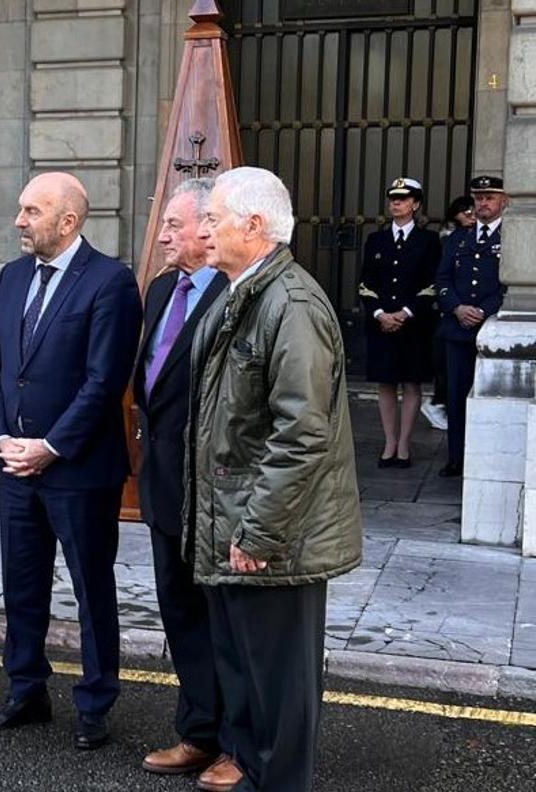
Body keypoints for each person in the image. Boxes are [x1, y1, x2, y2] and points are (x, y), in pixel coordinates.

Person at [188, 166, 362, 791]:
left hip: (273, 540)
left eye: (214, 218)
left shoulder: (291, 305)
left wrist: (257, 532)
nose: (204, 229)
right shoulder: (242, 292)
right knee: (249, 682)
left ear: (254, 226)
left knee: (282, 695)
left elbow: (302, 433)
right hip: (236, 526)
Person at [0, 172, 140, 750]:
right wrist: (0, 439)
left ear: (67, 221)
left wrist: (51, 446)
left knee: (92, 589)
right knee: (21, 584)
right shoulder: (13, 277)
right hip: (16, 465)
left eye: (31, 211)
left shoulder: (110, 282)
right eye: (21, 209)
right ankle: (26, 691)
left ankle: (95, 703)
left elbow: (103, 381)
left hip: (79, 470)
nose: (19, 221)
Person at [132, 179, 232, 786]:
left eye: (173, 223)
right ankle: (198, 731)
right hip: (165, 482)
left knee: (223, 619)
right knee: (180, 612)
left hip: (214, 488)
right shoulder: (162, 288)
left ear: (207, 228)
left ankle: (236, 743)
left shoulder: (234, 291)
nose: (162, 235)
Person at [357, 178, 442, 468]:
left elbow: (431, 285)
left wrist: (405, 313)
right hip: (382, 323)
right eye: (393, 198)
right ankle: (389, 442)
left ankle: (404, 443)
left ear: (415, 204)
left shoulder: (428, 241)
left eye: (404, 199)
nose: (396, 203)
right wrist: (380, 313)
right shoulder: (376, 240)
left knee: (411, 383)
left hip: (414, 325)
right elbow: (366, 284)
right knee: (386, 383)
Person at [436, 176, 508, 477]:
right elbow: (442, 279)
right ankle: (457, 458)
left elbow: (512, 284)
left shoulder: (512, 237)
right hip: (458, 329)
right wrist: (457, 307)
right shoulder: (458, 238)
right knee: (456, 396)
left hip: (492, 326)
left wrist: (483, 310)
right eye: (478, 197)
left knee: (495, 398)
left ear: (503, 201)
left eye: (490, 197)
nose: (483, 203)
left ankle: (490, 458)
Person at [421, 195, 475, 432]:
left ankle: (440, 403)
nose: (470, 215)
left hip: (459, 312)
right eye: (465, 211)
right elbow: (442, 275)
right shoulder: (448, 238)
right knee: (445, 364)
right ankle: (437, 403)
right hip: (445, 311)